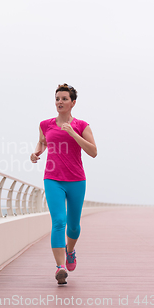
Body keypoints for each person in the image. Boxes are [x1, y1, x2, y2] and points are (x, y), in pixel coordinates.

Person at [30, 83, 97, 285]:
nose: (60, 102)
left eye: (64, 99)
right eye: (57, 98)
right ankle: (60, 267)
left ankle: (70, 251)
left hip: (76, 179)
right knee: (59, 221)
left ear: (73, 103)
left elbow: (93, 152)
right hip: (52, 178)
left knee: (74, 226)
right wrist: (36, 153)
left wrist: (73, 134)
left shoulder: (82, 126)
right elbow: (43, 141)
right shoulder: (45, 124)